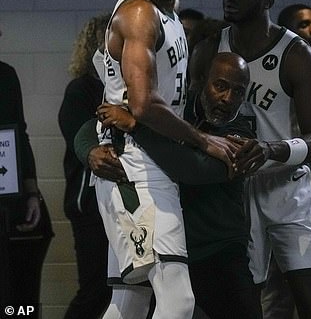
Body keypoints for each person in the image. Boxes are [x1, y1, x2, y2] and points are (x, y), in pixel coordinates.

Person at [94, 0, 232, 319]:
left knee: (130, 300)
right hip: (134, 166)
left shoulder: (166, 16)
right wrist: (204, 142)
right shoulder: (139, 13)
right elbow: (144, 105)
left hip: (141, 162)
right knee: (178, 299)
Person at [76, 52, 263, 319]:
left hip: (218, 252)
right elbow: (91, 126)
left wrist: (136, 127)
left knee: (167, 304)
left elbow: (190, 169)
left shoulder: (241, 135)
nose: (227, 98)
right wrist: (90, 152)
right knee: (130, 303)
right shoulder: (174, 110)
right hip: (166, 240)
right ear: (199, 82)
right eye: (220, 86)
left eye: (238, 91)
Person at [214, 0, 311, 319]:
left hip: (287, 192)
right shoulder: (212, 48)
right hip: (236, 193)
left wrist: (272, 149)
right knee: (246, 306)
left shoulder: (298, 55)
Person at [262, 1, 311, 319]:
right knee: (273, 297)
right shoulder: (266, 68)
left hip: (300, 189)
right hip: (259, 190)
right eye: (304, 24)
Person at [58, 13, 111, 319]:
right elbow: (84, 143)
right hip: (89, 206)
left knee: (128, 289)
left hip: (120, 205)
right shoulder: (81, 90)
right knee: (95, 290)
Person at [0, 25, 54, 319]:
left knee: (12, 291)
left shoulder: (6, 76)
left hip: (6, 196)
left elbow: (20, 134)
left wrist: (32, 192)